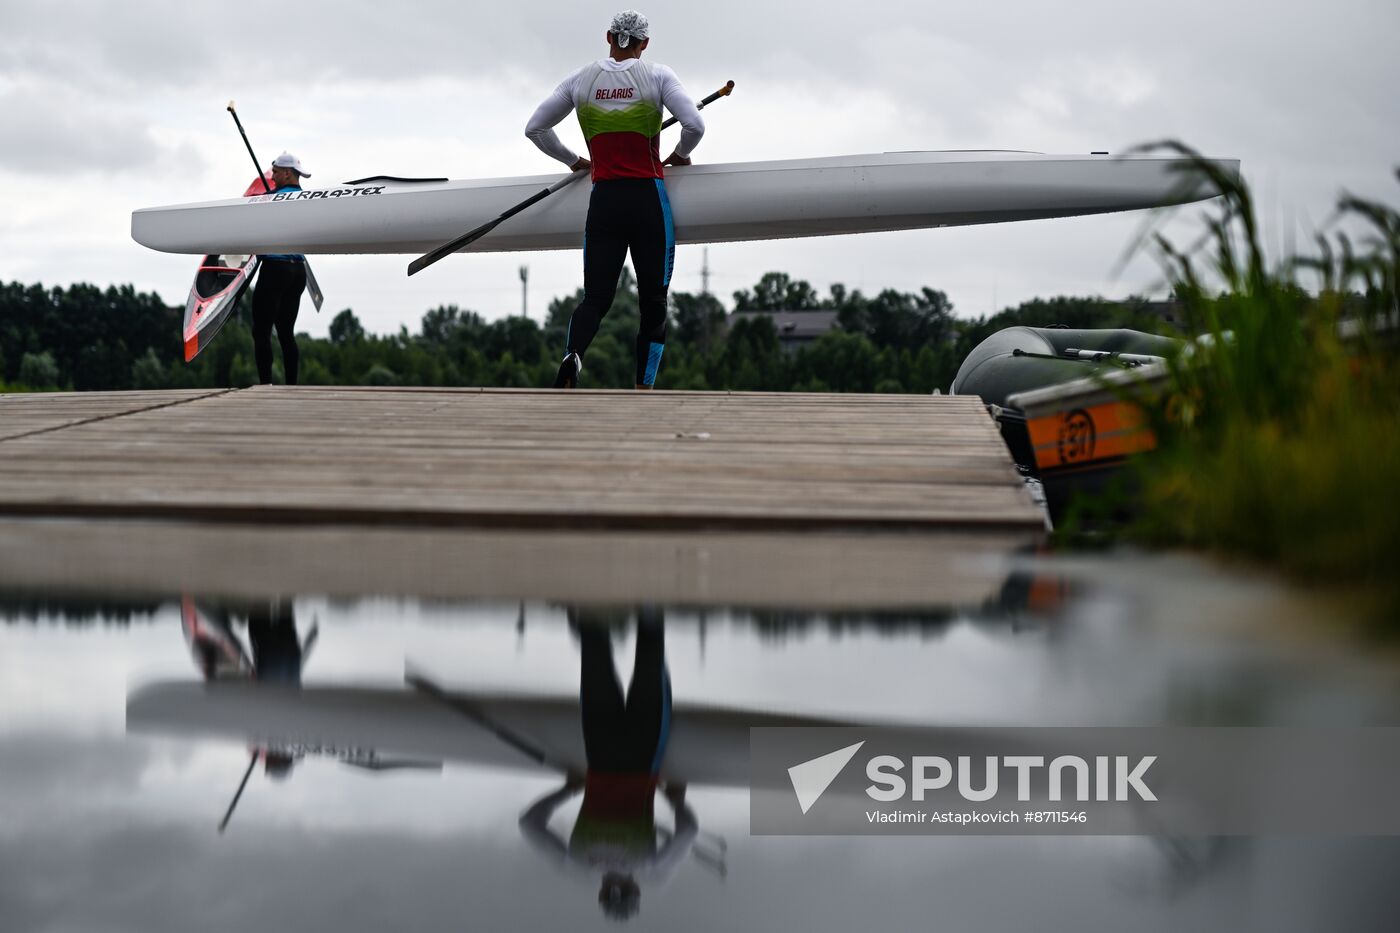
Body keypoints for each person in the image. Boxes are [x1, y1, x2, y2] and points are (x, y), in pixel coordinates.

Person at [524, 11, 704, 390]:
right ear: (645, 44)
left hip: (604, 200)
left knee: (596, 299)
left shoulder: (581, 80)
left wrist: (574, 161)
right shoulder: (657, 75)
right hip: (647, 202)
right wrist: (682, 154)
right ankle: (643, 386)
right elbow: (694, 125)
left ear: (608, 37)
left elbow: (535, 129)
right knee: (653, 301)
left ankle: (573, 357)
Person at [519, 608, 696, 921]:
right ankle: (587, 607)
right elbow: (529, 823)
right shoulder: (575, 863)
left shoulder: (651, 867)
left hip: (643, 757)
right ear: (601, 893)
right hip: (599, 754)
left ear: (636, 891)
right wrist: (569, 789)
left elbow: (688, 832)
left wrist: (676, 799)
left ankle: (650, 607)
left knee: (649, 667)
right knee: (596, 666)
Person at [249, 152, 311, 385]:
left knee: (261, 331)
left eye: (275, 172)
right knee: (286, 333)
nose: (272, 176)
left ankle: (265, 385)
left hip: (275, 268)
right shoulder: (307, 199)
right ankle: (292, 386)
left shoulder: (272, 199)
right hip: (298, 271)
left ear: (287, 173)